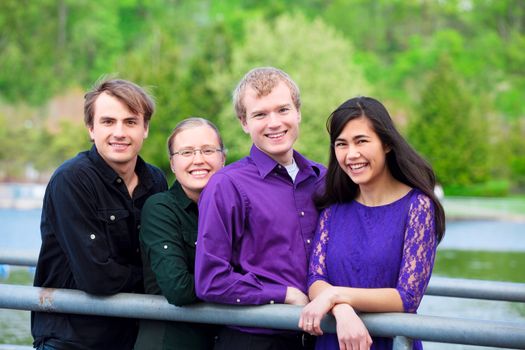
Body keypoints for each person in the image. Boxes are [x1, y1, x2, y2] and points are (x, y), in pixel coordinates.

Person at [298, 96, 446, 350]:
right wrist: (343, 309)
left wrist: (335, 295)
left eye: (362, 141)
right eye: (341, 144)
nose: (351, 154)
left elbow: (407, 297)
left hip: (389, 342)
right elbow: (315, 278)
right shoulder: (333, 206)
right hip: (335, 339)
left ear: (386, 143)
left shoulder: (417, 207)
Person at [194, 67, 326, 350]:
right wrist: (283, 294)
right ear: (244, 122)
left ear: (298, 112)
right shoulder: (226, 185)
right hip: (255, 340)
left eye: (282, 109)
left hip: (319, 338)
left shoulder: (323, 179)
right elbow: (210, 279)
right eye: (260, 114)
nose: (274, 123)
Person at [31, 78, 168, 350]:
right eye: (108, 122)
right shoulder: (71, 180)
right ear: (91, 129)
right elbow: (96, 277)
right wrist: (154, 275)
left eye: (130, 122)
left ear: (145, 129)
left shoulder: (155, 180)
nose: (120, 132)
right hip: (71, 338)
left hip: (131, 336)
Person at [134, 117, 225, 350]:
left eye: (208, 150)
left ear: (222, 158)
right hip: (169, 342)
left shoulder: (234, 209)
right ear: (173, 164)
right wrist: (236, 284)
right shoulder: (160, 208)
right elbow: (179, 289)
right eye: (186, 153)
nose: (198, 160)